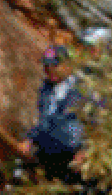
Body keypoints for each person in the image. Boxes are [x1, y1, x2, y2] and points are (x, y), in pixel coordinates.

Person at [18, 44, 85, 183]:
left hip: (73, 154)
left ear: (67, 65)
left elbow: (94, 122)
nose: (49, 71)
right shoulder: (46, 90)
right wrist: (29, 139)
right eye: (46, 67)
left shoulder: (82, 88)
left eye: (54, 66)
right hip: (51, 151)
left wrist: (84, 150)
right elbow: (45, 121)